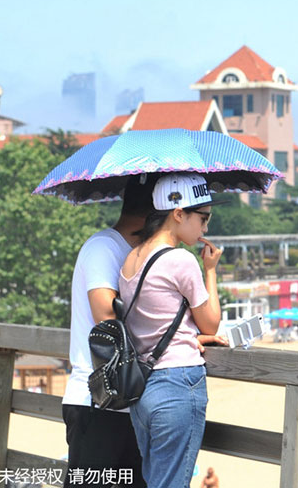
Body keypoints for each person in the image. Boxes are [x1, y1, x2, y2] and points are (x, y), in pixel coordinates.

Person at [120, 173, 226, 488]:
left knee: (157, 480)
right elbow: (211, 322)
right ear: (178, 214)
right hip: (178, 383)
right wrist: (210, 271)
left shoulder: (132, 258)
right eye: (202, 218)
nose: (205, 228)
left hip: (143, 389)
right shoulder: (180, 259)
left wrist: (187, 334)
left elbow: (155, 319)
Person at [62, 175, 155, 488]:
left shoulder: (138, 255)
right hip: (97, 400)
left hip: (128, 402)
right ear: (156, 214)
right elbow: (105, 317)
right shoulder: (104, 247)